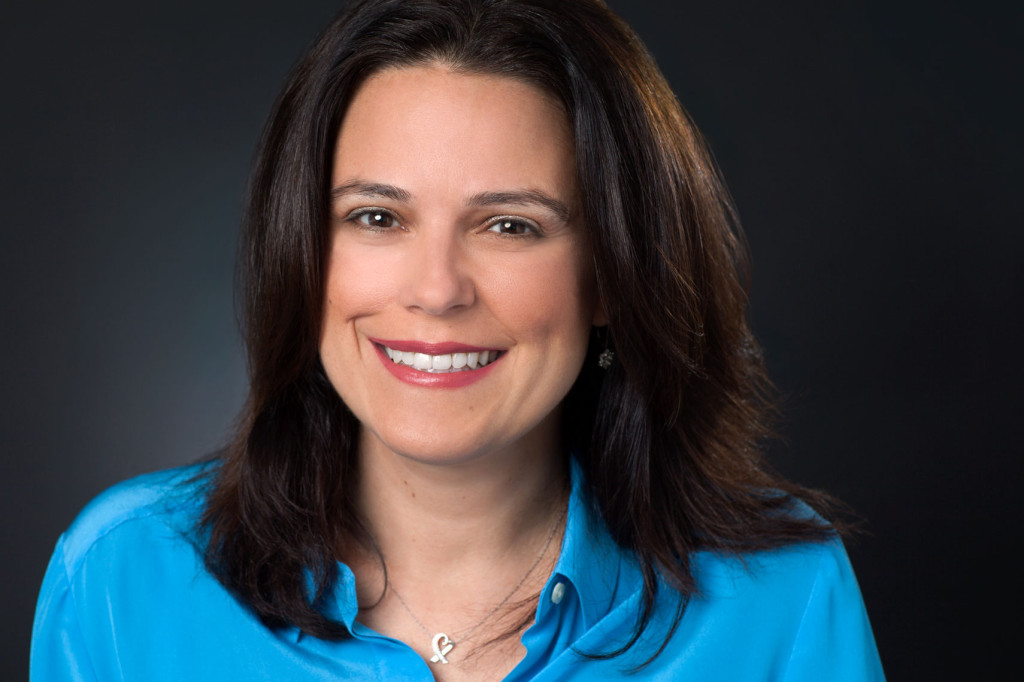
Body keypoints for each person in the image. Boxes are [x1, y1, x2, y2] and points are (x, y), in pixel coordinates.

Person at [30, 0, 885, 679]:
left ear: (611, 277)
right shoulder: (122, 577)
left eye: (510, 225)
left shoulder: (781, 599)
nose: (437, 290)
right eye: (377, 217)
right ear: (303, 252)